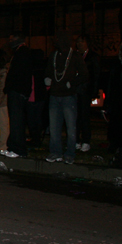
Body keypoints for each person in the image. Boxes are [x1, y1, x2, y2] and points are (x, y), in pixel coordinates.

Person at [44, 30, 88, 164]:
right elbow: (48, 71)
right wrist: (47, 78)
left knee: (71, 127)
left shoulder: (74, 56)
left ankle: (69, 153)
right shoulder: (54, 55)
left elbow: (85, 74)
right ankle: (55, 152)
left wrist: (72, 84)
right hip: (54, 96)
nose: (56, 42)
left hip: (69, 96)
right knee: (54, 127)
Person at [3, 34, 31, 158]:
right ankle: (15, 146)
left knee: (16, 120)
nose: (10, 42)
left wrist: (9, 87)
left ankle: (17, 148)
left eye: (12, 39)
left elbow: (17, 73)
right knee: (15, 120)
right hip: (17, 91)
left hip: (18, 91)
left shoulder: (22, 53)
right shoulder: (19, 53)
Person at [76, 34, 100, 152]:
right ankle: (76, 140)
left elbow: (95, 75)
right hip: (75, 91)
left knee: (84, 116)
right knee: (75, 116)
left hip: (85, 91)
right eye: (78, 42)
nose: (79, 44)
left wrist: (94, 92)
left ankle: (86, 140)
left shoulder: (92, 57)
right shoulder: (74, 56)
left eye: (82, 41)